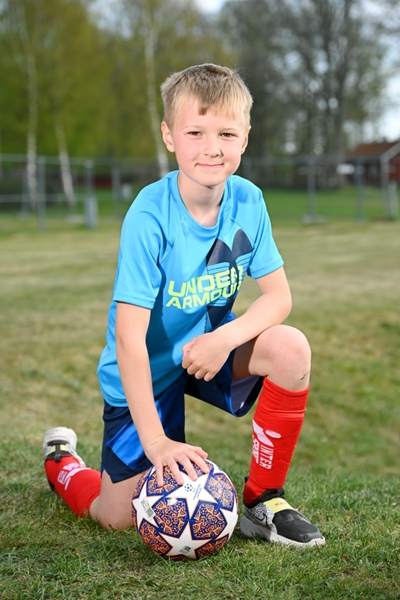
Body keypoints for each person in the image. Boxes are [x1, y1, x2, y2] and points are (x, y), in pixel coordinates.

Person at [43, 63, 325, 547]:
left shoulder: (249, 201)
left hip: (206, 352)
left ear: (245, 139)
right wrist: (156, 442)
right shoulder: (149, 215)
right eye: (195, 132)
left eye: (226, 133)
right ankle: (61, 461)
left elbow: (279, 297)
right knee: (116, 516)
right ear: (169, 135)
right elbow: (129, 340)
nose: (211, 147)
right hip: (147, 371)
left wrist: (224, 339)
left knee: (290, 348)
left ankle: (264, 501)